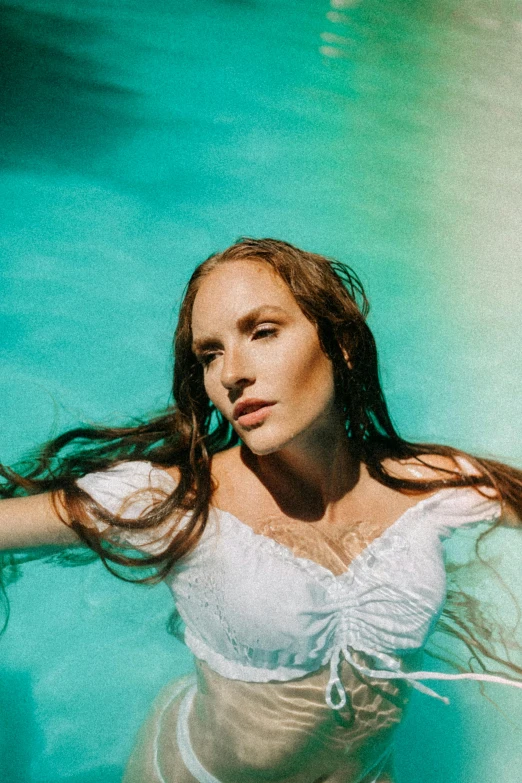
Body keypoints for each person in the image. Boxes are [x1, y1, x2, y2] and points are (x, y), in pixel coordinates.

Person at [1, 237, 522, 783]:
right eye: (211, 354)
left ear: (340, 343)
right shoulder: (176, 505)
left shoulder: (428, 483)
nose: (232, 374)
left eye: (262, 332)